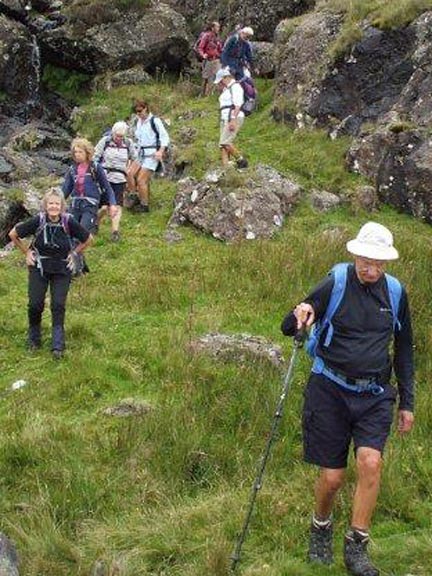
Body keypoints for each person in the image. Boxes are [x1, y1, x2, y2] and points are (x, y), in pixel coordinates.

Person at [281, 222, 414, 576]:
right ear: (355, 255)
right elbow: (289, 324)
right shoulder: (336, 282)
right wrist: (301, 312)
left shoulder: (396, 293)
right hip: (330, 390)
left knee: (371, 463)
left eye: (379, 263)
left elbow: (404, 349)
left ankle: (357, 547)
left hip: (374, 394)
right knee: (333, 477)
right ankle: (320, 527)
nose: (372, 269)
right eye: (366, 261)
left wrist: (408, 402)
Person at [9, 188, 92, 359]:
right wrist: (27, 253)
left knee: (58, 305)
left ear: (62, 206)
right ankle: (34, 339)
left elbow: (88, 239)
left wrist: (75, 254)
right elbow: (14, 234)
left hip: (62, 269)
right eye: (50, 203)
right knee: (35, 304)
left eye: (57, 203)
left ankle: (57, 345)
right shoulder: (38, 220)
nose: (53, 207)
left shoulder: (68, 221)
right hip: (39, 267)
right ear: (45, 206)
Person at [62, 137, 117, 235]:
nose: (77, 155)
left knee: (83, 231)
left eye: (80, 152)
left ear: (87, 153)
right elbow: (66, 189)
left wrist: (112, 204)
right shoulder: (72, 170)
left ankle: (79, 247)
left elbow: (107, 187)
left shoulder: (95, 167)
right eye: (75, 152)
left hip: (90, 205)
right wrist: (56, 203)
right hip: (75, 205)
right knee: (70, 231)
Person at [94, 121, 137, 242]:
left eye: (121, 136)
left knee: (117, 205)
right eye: (117, 136)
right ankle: (96, 222)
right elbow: (95, 157)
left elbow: (135, 158)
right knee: (103, 207)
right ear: (113, 133)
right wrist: (96, 171)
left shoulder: (128, 143)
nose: (119, 138)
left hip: (120, 178)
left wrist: (129, 170)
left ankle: (115, 232)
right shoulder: (105, 141)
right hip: (104, 177)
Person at [128, 99, 170, 213]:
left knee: (141, 179)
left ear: (146, 108)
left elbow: (164, 137)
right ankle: (133, 195)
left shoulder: (155, 121)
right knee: (130, 173)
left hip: (152, 154)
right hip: (140, 153)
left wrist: (160, 151)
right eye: (136, 112)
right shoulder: (138, 122)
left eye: (140, 111)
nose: (138, 114)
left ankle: (144, 205)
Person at [214, 67, 248, 168]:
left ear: (225, 77)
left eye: (221, 81)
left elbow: (238, 104)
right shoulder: (227, 89)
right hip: (225, 118)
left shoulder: (235, 87)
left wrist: (233, 120)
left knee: (225, 142)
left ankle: (241, 160)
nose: (220, 84)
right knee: (222, 144)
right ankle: (226, 166)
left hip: (233, 117)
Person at [197, 21, 223, 96]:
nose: (218, 28)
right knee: (205, 78)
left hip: (217, 60)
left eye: (219, 27)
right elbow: (200, 47)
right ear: (212, 28)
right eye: (217, 27)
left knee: (219, 77)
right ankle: (202, 94)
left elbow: (220, 49)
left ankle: (215, 95)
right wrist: (203, 55)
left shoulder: (218, 38)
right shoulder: (206, 36)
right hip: (209, 60)